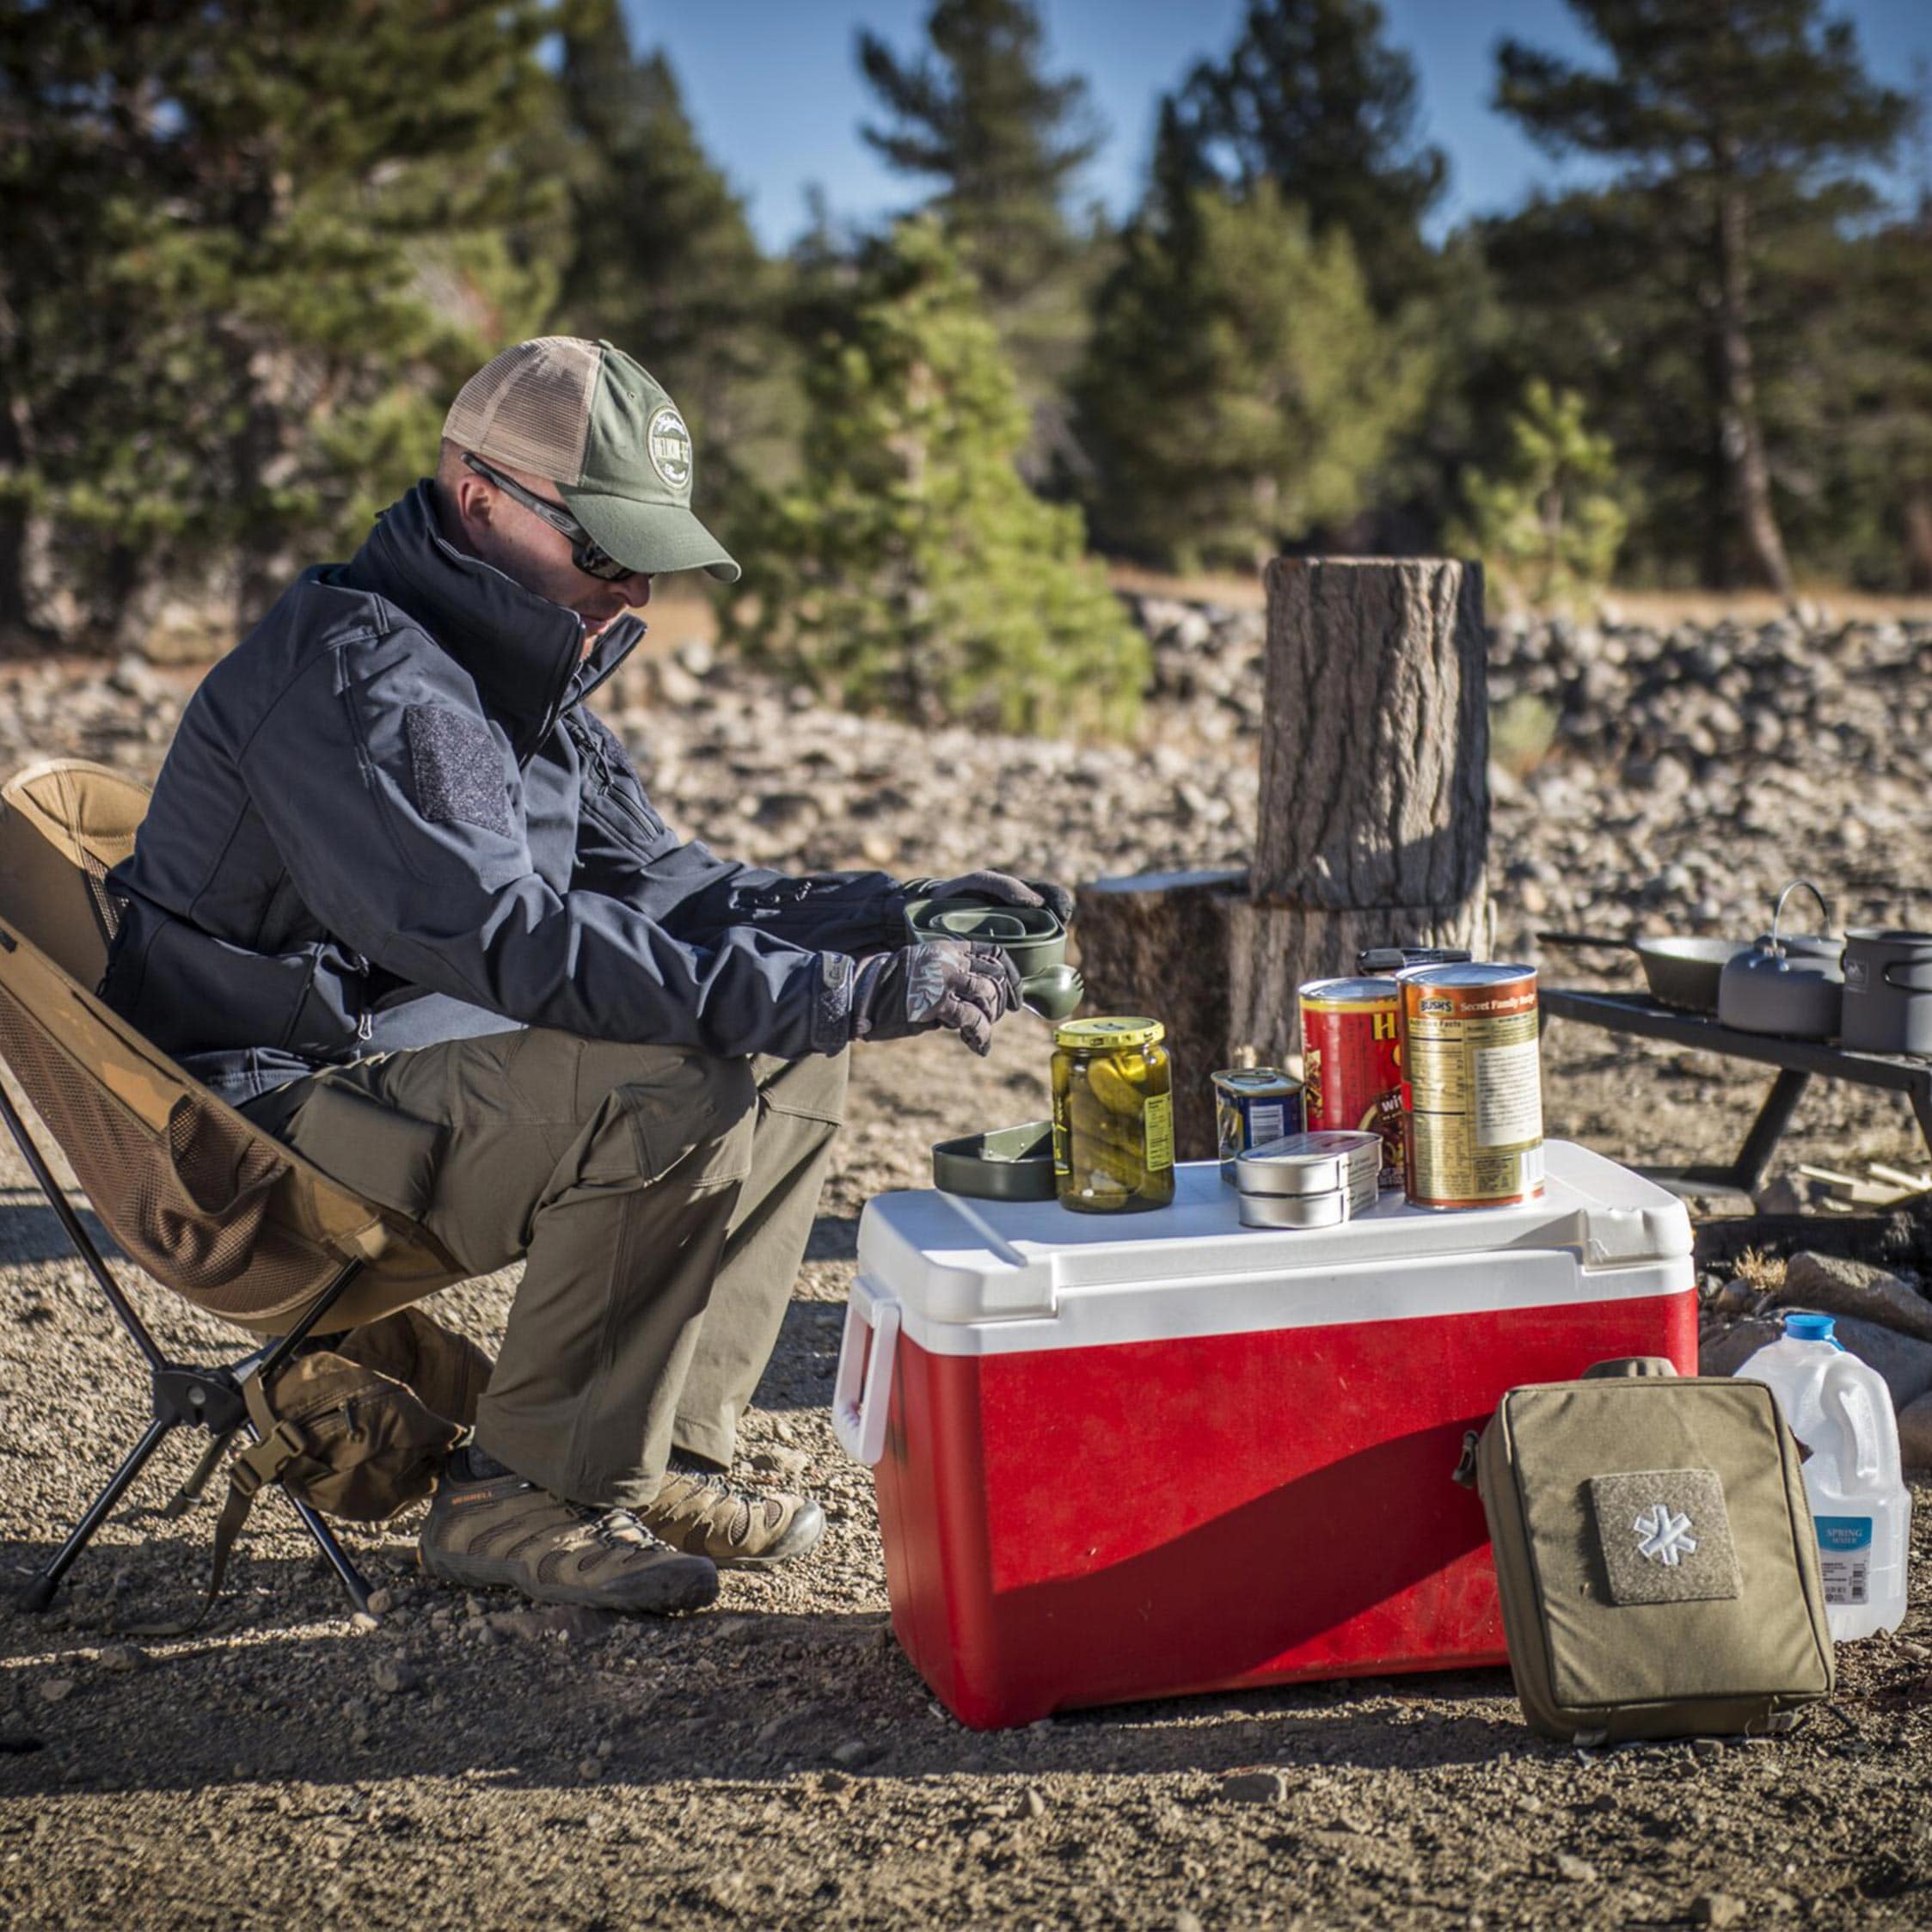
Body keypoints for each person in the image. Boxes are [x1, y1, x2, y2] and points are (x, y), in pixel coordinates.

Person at [100, 336, 1072, 1616]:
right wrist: (830, 988)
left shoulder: (516, 669)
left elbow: (678, 890)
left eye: (649, 559)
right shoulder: (372, 681)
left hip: (384, 1073)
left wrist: (888, 918)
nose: (634, 594)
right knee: (670, 1066)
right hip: (249, 1144)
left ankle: (652, 1449)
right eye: (606, 552)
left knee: (790, 1035)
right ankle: (523, 1492)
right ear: (479, 495)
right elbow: (514, 943)